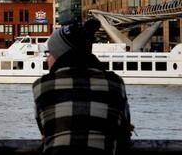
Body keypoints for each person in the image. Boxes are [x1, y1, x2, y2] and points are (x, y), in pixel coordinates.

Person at [32, 19, 133, 155]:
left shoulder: (42, 86)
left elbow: (46, 131)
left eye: (50, 53)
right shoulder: (115, 83)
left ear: (60, 55)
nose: (46, 59)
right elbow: (124, 132)